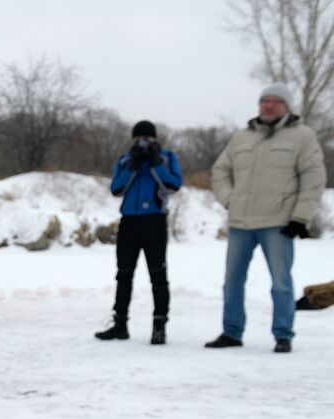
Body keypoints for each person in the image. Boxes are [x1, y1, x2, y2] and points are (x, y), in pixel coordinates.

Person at [207, 83, 326, 353]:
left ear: (286, 106)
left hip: (278, 223)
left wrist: (300, 216)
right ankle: (231, 332)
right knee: (232, 282)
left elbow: (313, 179)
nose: (268, 106)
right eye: (264, 101)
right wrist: (230, 199)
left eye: (275, 101)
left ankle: (283, 334)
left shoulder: (302, 137)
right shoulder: (242, 137)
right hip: (241, 223)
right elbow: (220, 170)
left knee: (281, 283)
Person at [95, 120, 182, 345]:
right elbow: (116, 188)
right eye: (139, 139)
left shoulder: (167, 158)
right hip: (129, 222)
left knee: (158, 275)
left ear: (154, 139)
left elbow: (173, 185)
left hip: (154, 222)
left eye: (147, 138)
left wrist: (155, 164)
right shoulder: (125, 160)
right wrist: (133, 166)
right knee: (123, 274)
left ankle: (159, 326)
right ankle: (120, 324)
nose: (143, 142)